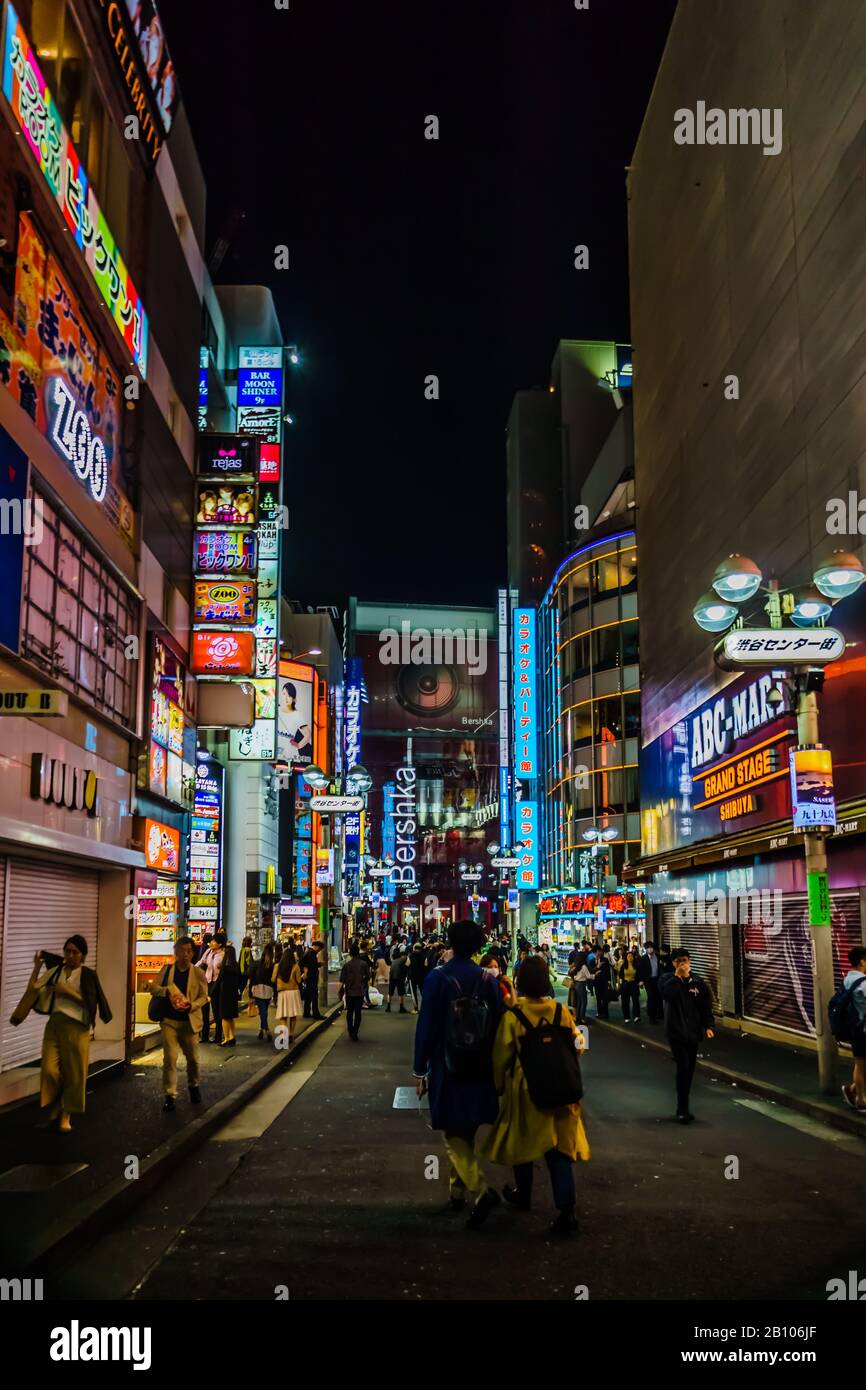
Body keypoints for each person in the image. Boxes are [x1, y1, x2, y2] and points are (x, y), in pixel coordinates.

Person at [482, 955, 589, 1236]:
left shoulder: (513, 1015)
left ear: (520, 981)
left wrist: (498, 1088)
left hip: (527, 1090)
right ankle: (567, 1212)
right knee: (559, 1153)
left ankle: (523, 1194)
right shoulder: (560, 1010)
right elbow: (578, 1043)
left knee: (523, 1143)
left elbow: (500, 1057)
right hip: (563, 1090)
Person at [413, 920, 505, 1229]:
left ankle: (480, 1190)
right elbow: (499, 1023)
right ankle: (456, 1189)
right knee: (465, 1125)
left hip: (447, 1063)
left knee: (452, 1132)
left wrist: (420, 1067)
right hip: (480, 1063)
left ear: (450, 943)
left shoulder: (438, 978)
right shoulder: (488, 980)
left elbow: (426, 1026)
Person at [27, 935, 112, 1132]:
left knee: (75, 1074)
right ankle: (57, 1103)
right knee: (49, 1070)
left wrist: (66, 991)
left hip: (78, 1027)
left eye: (75, 952)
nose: (71, 956)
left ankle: (65, 1113)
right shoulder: (56, 972)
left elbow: (90, 1002)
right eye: (68, 951)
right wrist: (36, 967)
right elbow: (34, 988)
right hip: (55, 1025)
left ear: (83, 956)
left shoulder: (88, 975)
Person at [149, 936, 208, 1111]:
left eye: (189, 951)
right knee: (170, 1058)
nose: (185, 954)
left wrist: (193, 1005)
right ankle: (170, 1094)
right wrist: (167, 991)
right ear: (175, 951)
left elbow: (204, 996)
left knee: (193, 1059)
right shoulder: (167, 970)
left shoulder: (198, 973)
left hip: (189, 1023)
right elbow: (154, 988)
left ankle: (193, 1085)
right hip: (169, 1021)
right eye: (182, 950)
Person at [660, 948, 714, 1123]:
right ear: (673, 963)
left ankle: (684, 1105)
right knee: (683, 1066)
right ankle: (682, 1108)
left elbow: (705, 1005)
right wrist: (677, 977)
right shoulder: (667, 980)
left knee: (689, 1068)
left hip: (693, 1032)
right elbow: (668, 995)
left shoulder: (697, 982)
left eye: (685, 960)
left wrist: (708, 1025)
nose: (682, 963)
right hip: (676, 1032)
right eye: (678, 961)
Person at [841, 945, 866, 1112]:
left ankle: (852, 1091)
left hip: (854, 1027)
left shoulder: (847, 979)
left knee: (861, 1063)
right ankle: (861, 1101)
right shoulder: (863, 983)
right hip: (863, 1028)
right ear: (862, 961)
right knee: (861, 1064)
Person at [197, 931, 226, 1043]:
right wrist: (192, 969)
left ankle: (218, 1036)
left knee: (216, 1010)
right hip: (206, 982)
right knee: (204, 1010)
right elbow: (201, 961)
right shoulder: (208, 951)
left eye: (214, 941)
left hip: (217, 984)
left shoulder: (223, 954)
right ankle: (204, 1036)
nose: (211, 942)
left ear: (219, 944)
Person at [339, 941, 371, 1040]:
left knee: (349, 1012)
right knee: (358, 1013)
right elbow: (368, 977)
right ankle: (355, 1032)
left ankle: (350, 1030)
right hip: (360, 991)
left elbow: (342, 980)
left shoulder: (346, 965)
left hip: (349, 991)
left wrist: (340, 991)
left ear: (350, 953)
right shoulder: (364, 964)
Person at [274, 945, 303, 1045]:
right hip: (294, 992)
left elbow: (273, 979)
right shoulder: (296, 966)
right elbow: (299, 980)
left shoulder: (278, 966)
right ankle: (291, 1034)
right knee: (293, 1015)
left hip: (282, 992)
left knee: (283, 1015)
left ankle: (284, 1035)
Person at [251, 943, 275, 1040]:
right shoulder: (272, 966)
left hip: (258, 989)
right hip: (268, 990)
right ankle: (266, 1029)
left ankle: (263, 1029)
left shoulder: (257, 964)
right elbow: (273, 980)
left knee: (262, 1010)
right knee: (264, 1010)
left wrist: (250, 993)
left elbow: (252, 978)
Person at [638, 941, 663, 1022]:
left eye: (651, 947)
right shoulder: (643, 958)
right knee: (651, 997)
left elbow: (660, 968)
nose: (650, 949)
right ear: (646, 949)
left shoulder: (658, 957)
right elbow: (640, 970)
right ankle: (652, 1017)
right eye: (648, 948)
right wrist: (641, 980)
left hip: (657, 979)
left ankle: (658, 1014)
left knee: (657, 997)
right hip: (648, 981)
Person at [618, 946, 641, 1023]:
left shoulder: (637, 966)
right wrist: (620, 985)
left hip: (634, 984)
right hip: (625, 985)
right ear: (626, 957)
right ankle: (626, 1017)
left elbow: (639, 975)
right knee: (625, 1001)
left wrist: (640, 982)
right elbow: (620, 976)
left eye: (631, 956)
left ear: (634, 957)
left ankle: (636, 1016)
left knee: (635, 1001)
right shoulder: (623, 966)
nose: (630, 957)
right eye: (628, 956)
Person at [301, 942, 323, 1019]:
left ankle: (306, 1012)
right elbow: (312, 966)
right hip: (311, 978)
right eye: (319, 949)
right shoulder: (311, 954)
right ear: (316, 947)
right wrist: (319, 964)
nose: (319, 951)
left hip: (308, 978)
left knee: (308, 996)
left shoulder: (307, 953)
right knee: (314, 996)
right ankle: (316, 1014)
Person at [387, 942, 410, 1013]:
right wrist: (408, 956)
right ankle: (401, 1008)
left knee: (390, 992)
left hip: (392, 976)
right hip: (399, 977)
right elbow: (408, 963)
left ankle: (388, 1007)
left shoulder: (393, 961)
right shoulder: (403, 959)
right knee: (401, 993)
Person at [572, 953, 593, 1025]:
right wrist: (595, 975)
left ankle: (578, 1017)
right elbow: (588, 976)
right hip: (581, 984)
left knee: (579, 1002)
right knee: (584, 1002)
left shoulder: (576, 965)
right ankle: (582, 1018)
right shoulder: (583, 966)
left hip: (576, 984)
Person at [408, 940, 427, 1011]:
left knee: (414, 992)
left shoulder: (411, 955)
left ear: (414, 948)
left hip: (412, 976)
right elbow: (426, 965)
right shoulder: (424, 955)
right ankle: (425, 1006)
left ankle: (415, 1008)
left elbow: (407, 964)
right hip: (422, 976)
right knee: (423, 991)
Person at [594, 948, 612, 1019]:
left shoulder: (605, 960)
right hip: (596, 982)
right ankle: (599, 1012)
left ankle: (605, 1014)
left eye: (600, 951)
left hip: (604, 982)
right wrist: (597, 967)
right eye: (597, 951)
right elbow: (591, 970)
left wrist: (609, 981)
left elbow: (607, 971)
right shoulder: (593, 960)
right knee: (598, 998)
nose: (599, 953)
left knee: (605, 998)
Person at [238, 935, 254, 1003]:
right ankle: (239, 996)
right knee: (243, 985)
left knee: (240, 984)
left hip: (240, 969)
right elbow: (248, 961)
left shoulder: (243, 949)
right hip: (245, 971)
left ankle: (239, 996)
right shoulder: (248, 950)